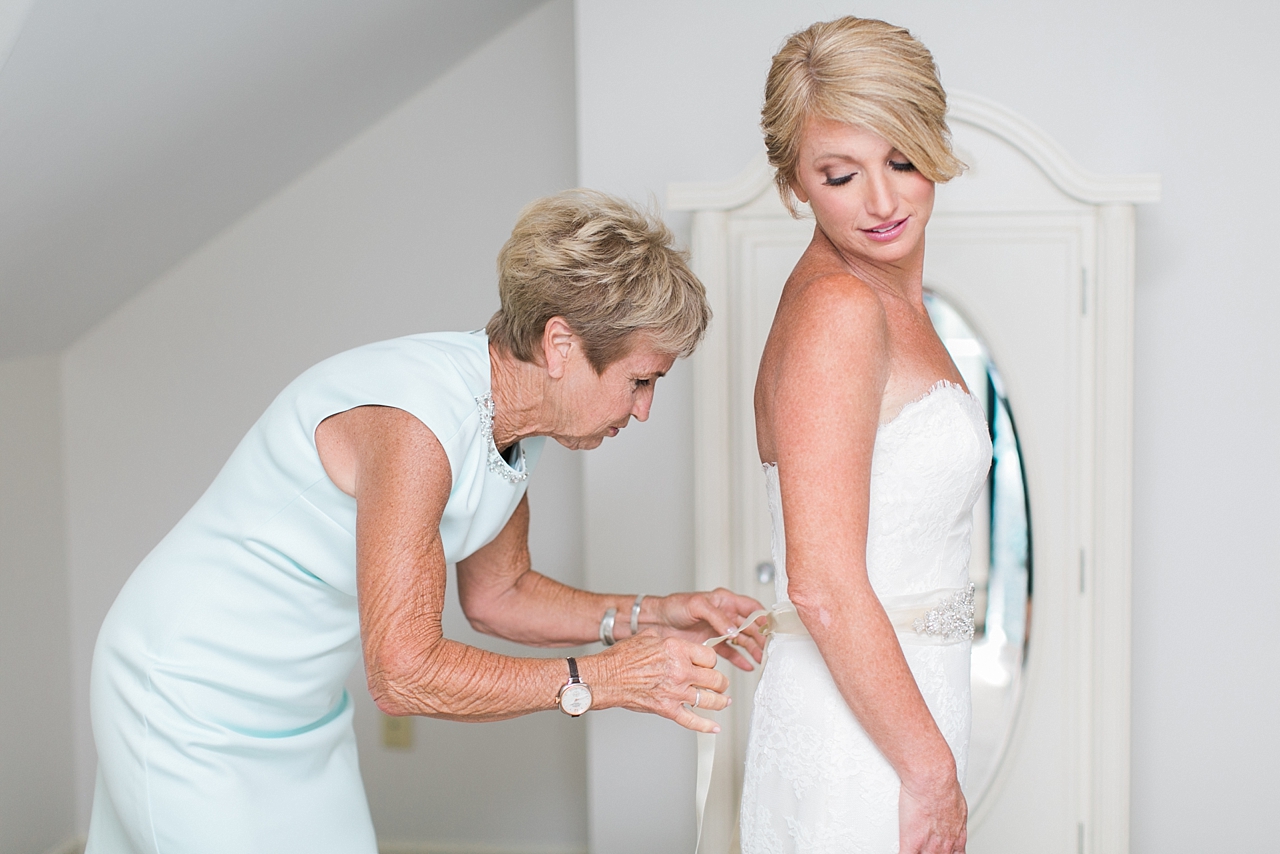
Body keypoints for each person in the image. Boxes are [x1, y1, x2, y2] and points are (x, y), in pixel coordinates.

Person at [86, 189, 767, 854]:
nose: (642, 409)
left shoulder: (509, 425)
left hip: (302, 713)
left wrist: (660, 614)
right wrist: (604, 680)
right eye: (640, 380)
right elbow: (403, 672)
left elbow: (501, 596)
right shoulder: (417, 423)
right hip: (186, 693)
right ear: (561, 345)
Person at [740, 17, 992, 854]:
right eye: (841, 174)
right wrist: (930, 774)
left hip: (899, 707)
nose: (883, 203)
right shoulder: (840, 311)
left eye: (904, 160)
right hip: (862, 742)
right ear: (794, 184)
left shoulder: (887, 304)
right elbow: (821, 584)